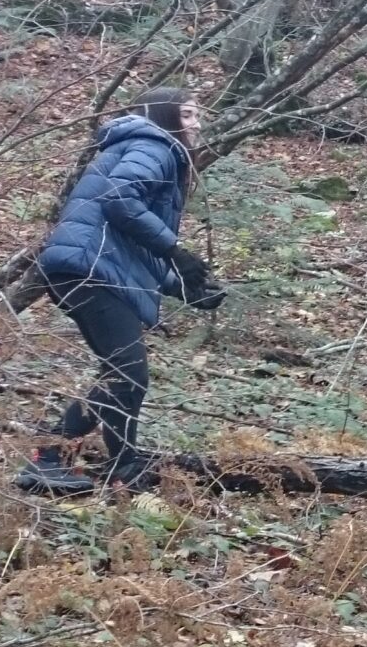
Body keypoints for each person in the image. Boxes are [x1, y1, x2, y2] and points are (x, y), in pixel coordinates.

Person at [17, 87, 224, 495]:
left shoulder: (145, 145)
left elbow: (129, 248)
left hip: (93, 268)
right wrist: (176, 251)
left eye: (196, 114)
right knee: (128, 375)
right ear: (164, 116)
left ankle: (104, 467)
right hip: (89, 270)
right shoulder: (156, 144)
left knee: (123, 374)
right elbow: (119, 200)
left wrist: (184, 286)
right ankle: (83, 464)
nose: (196, 122)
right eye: (186, 114)